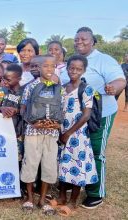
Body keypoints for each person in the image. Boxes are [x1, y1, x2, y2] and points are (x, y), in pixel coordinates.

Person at [60, 27, 126, 209]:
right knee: (72, 151)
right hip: (72, 118)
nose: (79, 42)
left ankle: (95, 193)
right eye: (76, 39)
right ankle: (71, 182)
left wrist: (113, 87)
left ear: (93, 41)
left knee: (95, 152)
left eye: (84, 39)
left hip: (99, 115)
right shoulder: (71, 62)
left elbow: (120, 80)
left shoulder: (104, 59)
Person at [20, 55, 62, 216]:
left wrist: (58, 124)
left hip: (51, 133)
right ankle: (29, 198)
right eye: (45, 66)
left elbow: (62, 109)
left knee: (49, 165)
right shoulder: (31, 87)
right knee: (30, 164)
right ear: (38, 68)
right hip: (33, 131)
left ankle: (43, 199)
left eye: (52, 66)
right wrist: (32, 123)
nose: (49, 69)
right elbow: (23, 109)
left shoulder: (58, 88)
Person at [57, 55, 98, 216]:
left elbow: (86, 115)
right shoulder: (62, 87)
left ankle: (73, 201)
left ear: (84, 71)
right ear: (67, 68)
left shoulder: (86, 89)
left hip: (77, 134)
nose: (74, 71)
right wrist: (61, 131)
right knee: (62, 164)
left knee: (77, 166)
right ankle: (61, 196)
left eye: (78, 69)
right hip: (62, 132)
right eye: (71, 68)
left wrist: (68, 133)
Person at [0, 64, 25, 162]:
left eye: (8, 80)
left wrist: (15, 111)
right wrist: (2, 108)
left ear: (19, 79)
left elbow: (26, 111)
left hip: (18, 132)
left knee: (17, 160)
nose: (4, 81)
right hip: (2, 131)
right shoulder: (1, 91)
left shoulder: (25, 92)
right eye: (3, 78)